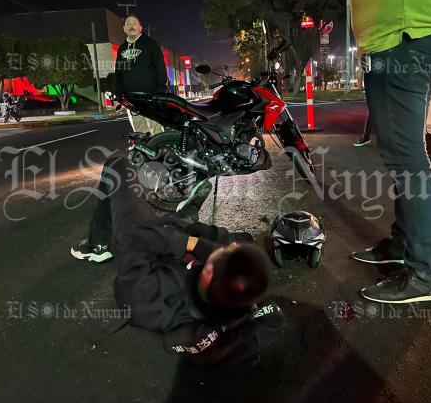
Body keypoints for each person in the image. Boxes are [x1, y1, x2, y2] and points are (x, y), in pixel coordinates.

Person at [330, 0, 431, 303]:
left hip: (403, 35)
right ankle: (402, 247)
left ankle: (424, 274)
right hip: (419, 32)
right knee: (405, 151)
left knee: (406, 157)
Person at [74, 156, 285, 364]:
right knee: (213, 234)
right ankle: (187, 212)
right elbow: (268, 316)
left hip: (153, 255)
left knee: (118, 165)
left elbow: (136, 238)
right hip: (186, 277)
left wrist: (193, 244)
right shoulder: (239, 316)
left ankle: (99, 245)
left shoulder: (144, 295)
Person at [114, 14, 168, 135]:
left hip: (151, 96)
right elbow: (118, 74)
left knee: (157, 130)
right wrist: (118, 97)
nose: (131, 26)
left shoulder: (151, 44)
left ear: (140, 27)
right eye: (128, 23)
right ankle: (144, 153)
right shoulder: (122, 49)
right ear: (124, 29)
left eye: (134, 23)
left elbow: (160, 68)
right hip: (132, 98)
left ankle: (160, 153)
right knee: (140, 133)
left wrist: (159, 94)